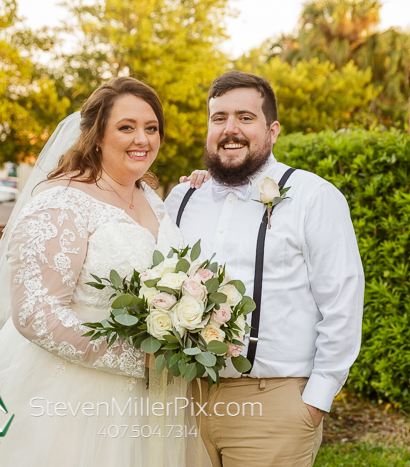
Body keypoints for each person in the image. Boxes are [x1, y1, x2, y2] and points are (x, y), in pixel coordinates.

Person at [0, 77, 211, 467]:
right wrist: (138, 358)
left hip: (156, 396)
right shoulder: (62, 200)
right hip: (72, 401)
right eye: (126, 127)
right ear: (96, 136)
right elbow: (34, 313)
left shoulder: (152, 199)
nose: (142, 139)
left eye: (151, 128)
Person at [165, 71, 365, 466]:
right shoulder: (182, 198)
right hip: (183, 401)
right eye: (218, 118)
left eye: (245, 117)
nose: (230, 129)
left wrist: (316, 400)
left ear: (272, 130)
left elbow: (342, 300)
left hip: (272, 405)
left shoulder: (313, 196)